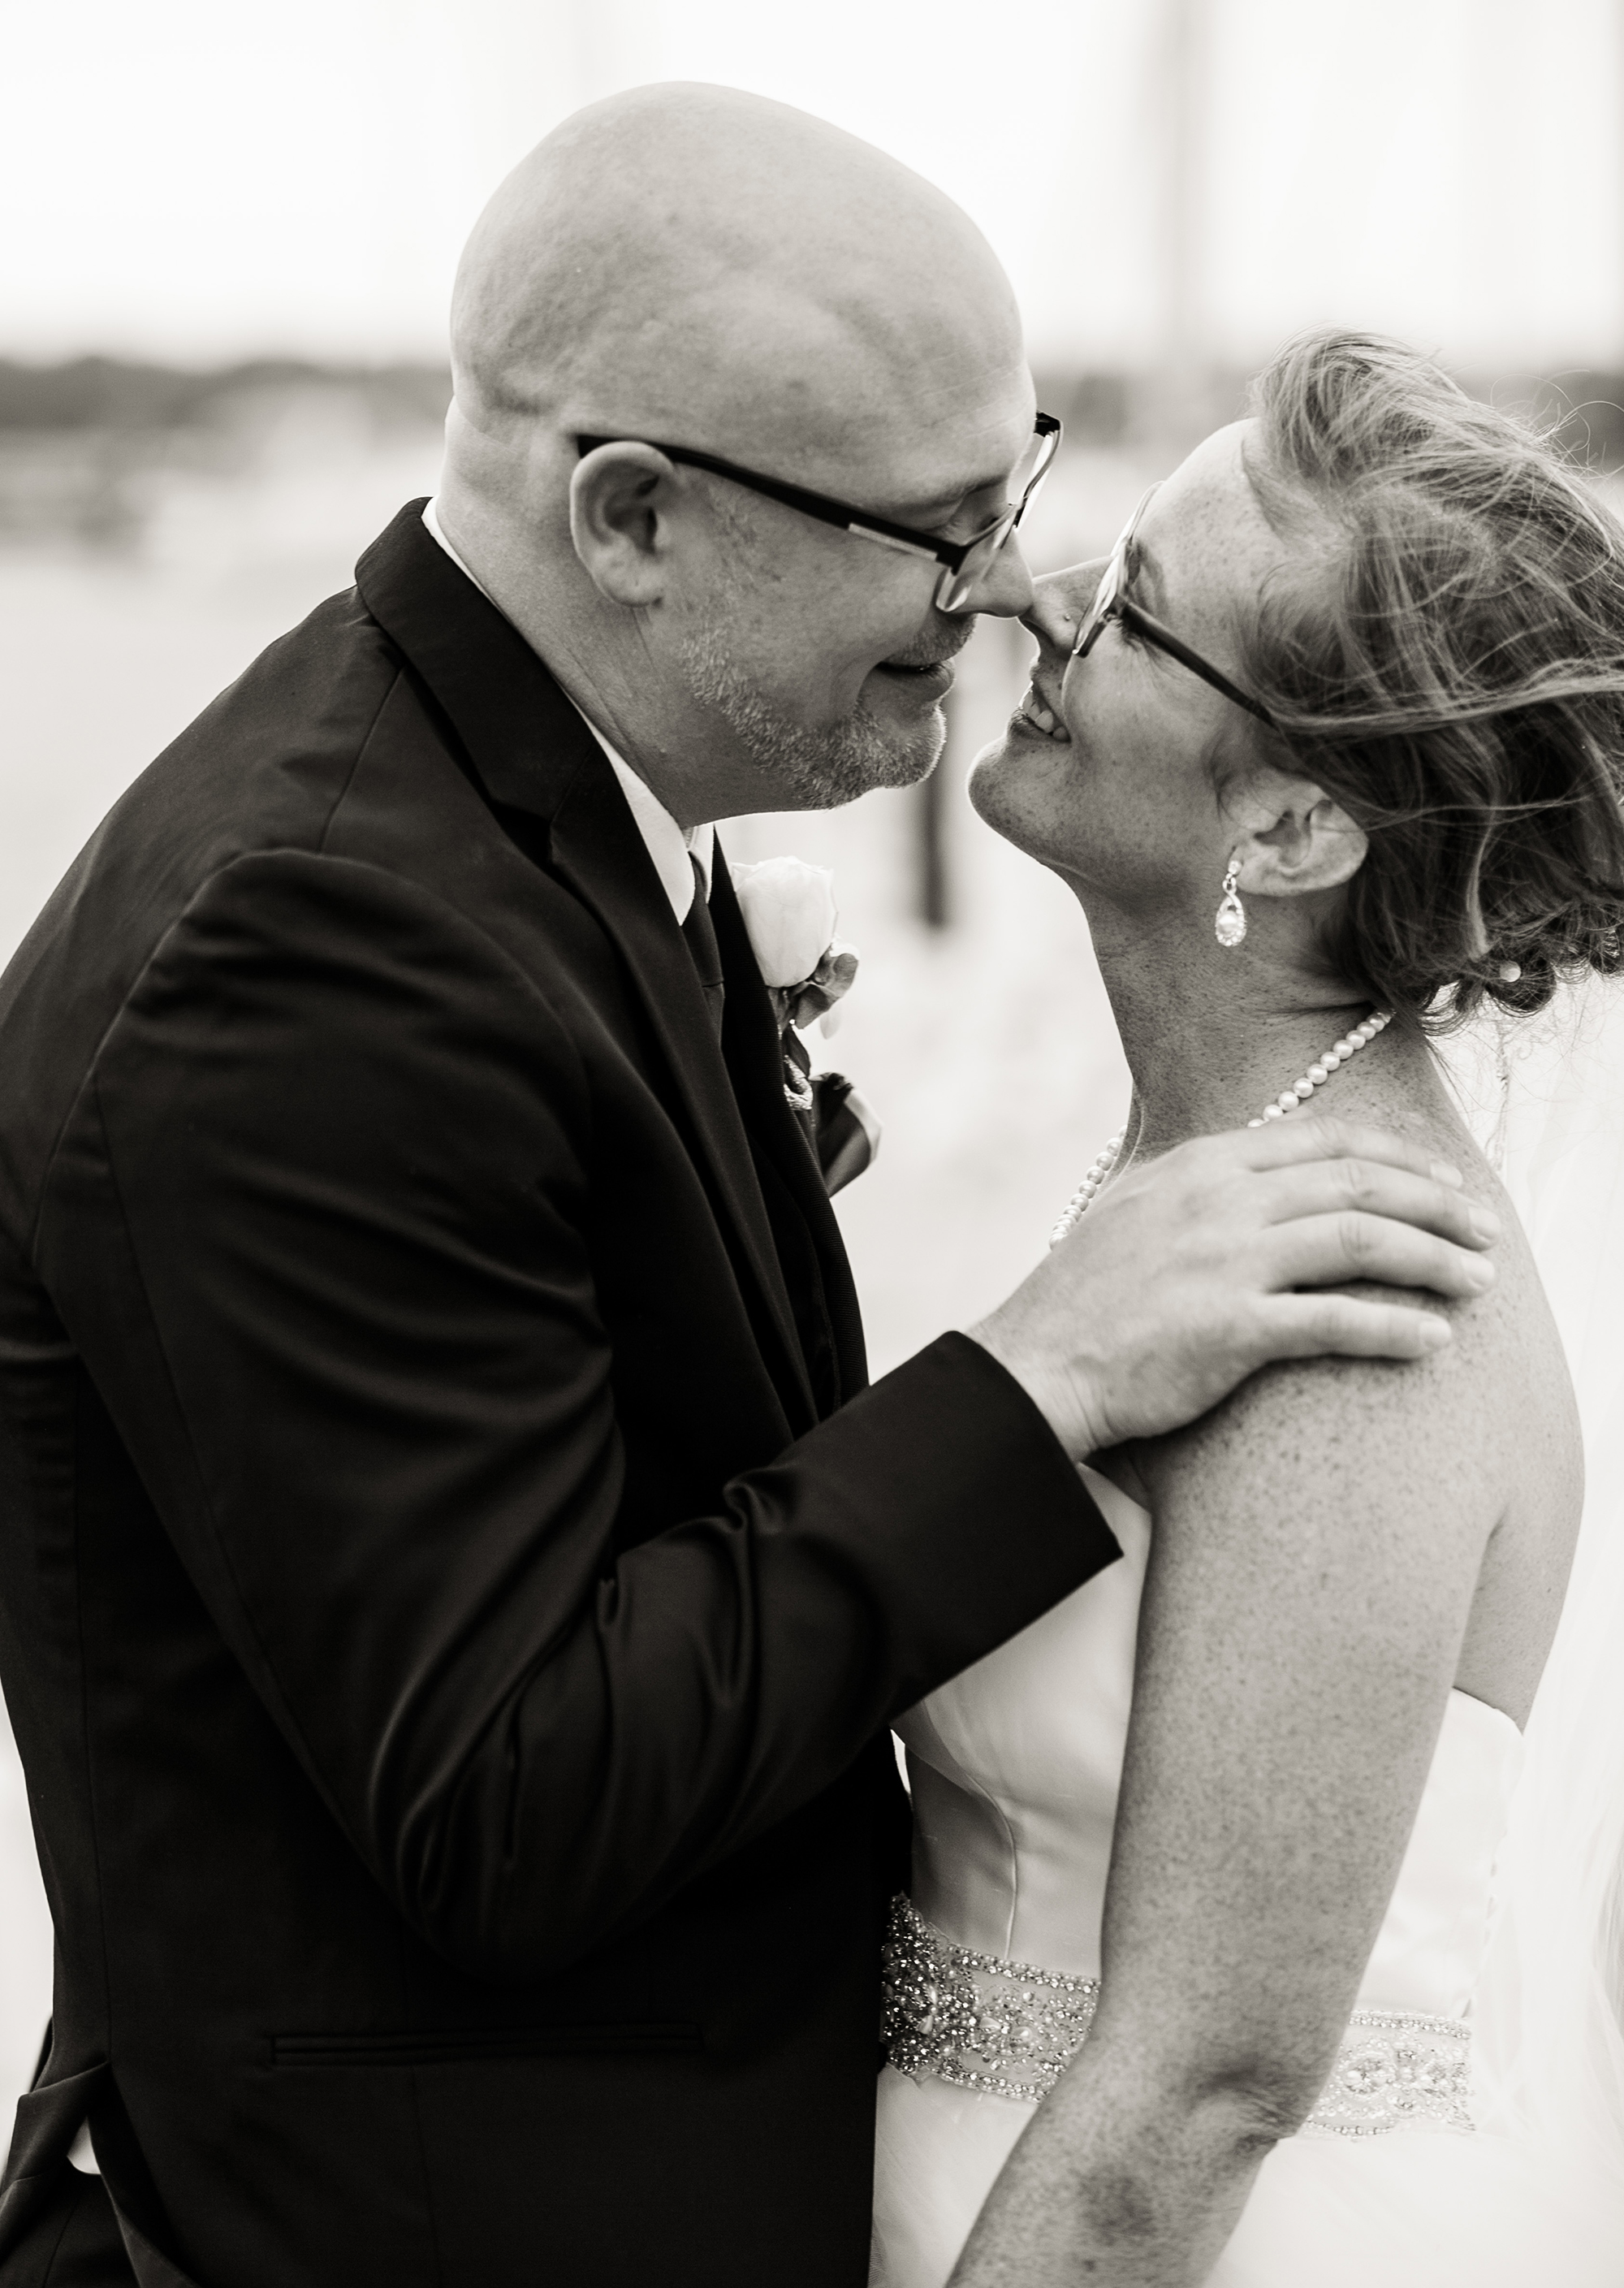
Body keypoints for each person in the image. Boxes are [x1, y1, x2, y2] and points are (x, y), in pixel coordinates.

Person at [0, 98, 1491, 2288]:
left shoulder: (574, 819)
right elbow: (506, 1795)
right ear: (633, 520)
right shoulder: (311, 950)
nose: (1000, 595)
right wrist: (1032, 1372)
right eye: (938, 526)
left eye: (1023, 487)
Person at [870, 330, 1624, 2286]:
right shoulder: (1192, 1195)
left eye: (1133, 611)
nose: (1038, 601)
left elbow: (1197, 2091)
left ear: (1288, 831)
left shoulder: (1356, 1295)